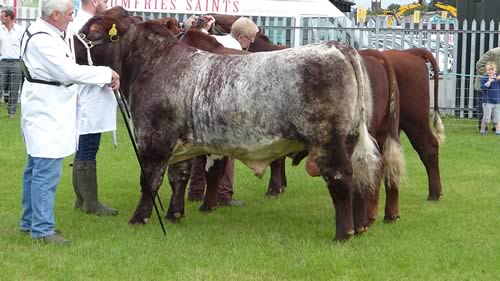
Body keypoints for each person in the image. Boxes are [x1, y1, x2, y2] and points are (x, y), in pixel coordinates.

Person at [19, 0, 120, 245]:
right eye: (67, 13)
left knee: (36, 166)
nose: (71, 16)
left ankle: (29, 220)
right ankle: (42, 229)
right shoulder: (43, 39)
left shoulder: (51, 32)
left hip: (49, 104)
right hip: (46, 107)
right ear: (54, 15)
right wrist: (106, 73)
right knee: (45, 168)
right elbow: (69, 72)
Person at [188, 17, 259, 207]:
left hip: (199, 105)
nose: (251, 43)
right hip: (223, 107)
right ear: (243, 38)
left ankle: (195, 191)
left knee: (199, 149)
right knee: (226, 153)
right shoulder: (235, 52)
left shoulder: (213, 41)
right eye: (251, 39)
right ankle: (223, 194)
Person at [70, 0, 118, 216]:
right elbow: (82, 64)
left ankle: (82, 200)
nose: (106, 4)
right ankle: (91, 202)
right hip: (89, 93)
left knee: (84, 146)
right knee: (88, 146)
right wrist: (105, 76)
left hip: (88, 93)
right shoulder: (86, 25)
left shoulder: (79, 22)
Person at [0, 9, 24, 118]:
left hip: (16, 62)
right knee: (0, 85)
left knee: (14, 88)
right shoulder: (0, 30)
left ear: (9, 17)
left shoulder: (20, 30)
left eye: (3, 16)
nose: (1, 18)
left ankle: (12, 112)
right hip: (3, 62)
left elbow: (24, 46)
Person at [475, 47, 500, 131]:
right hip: (484, 85)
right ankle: (483, 128)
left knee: (497, 108)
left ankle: (496, 127)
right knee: (483, 107)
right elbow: (479, 65)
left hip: (497, 86)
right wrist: (489, 75)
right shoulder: (493, 53)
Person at [479, 61, 500, 135]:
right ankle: (482, 130)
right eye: (488, 70)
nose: (490, 71)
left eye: (492, 69)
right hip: (487, 101)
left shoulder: (498, 79)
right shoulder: (484, 78)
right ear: (486, 70)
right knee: (486, 118)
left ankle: (498, 132)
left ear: (495, 70)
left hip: (497, 101)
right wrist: (489, 81)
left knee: (497, 118)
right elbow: (483, 88)